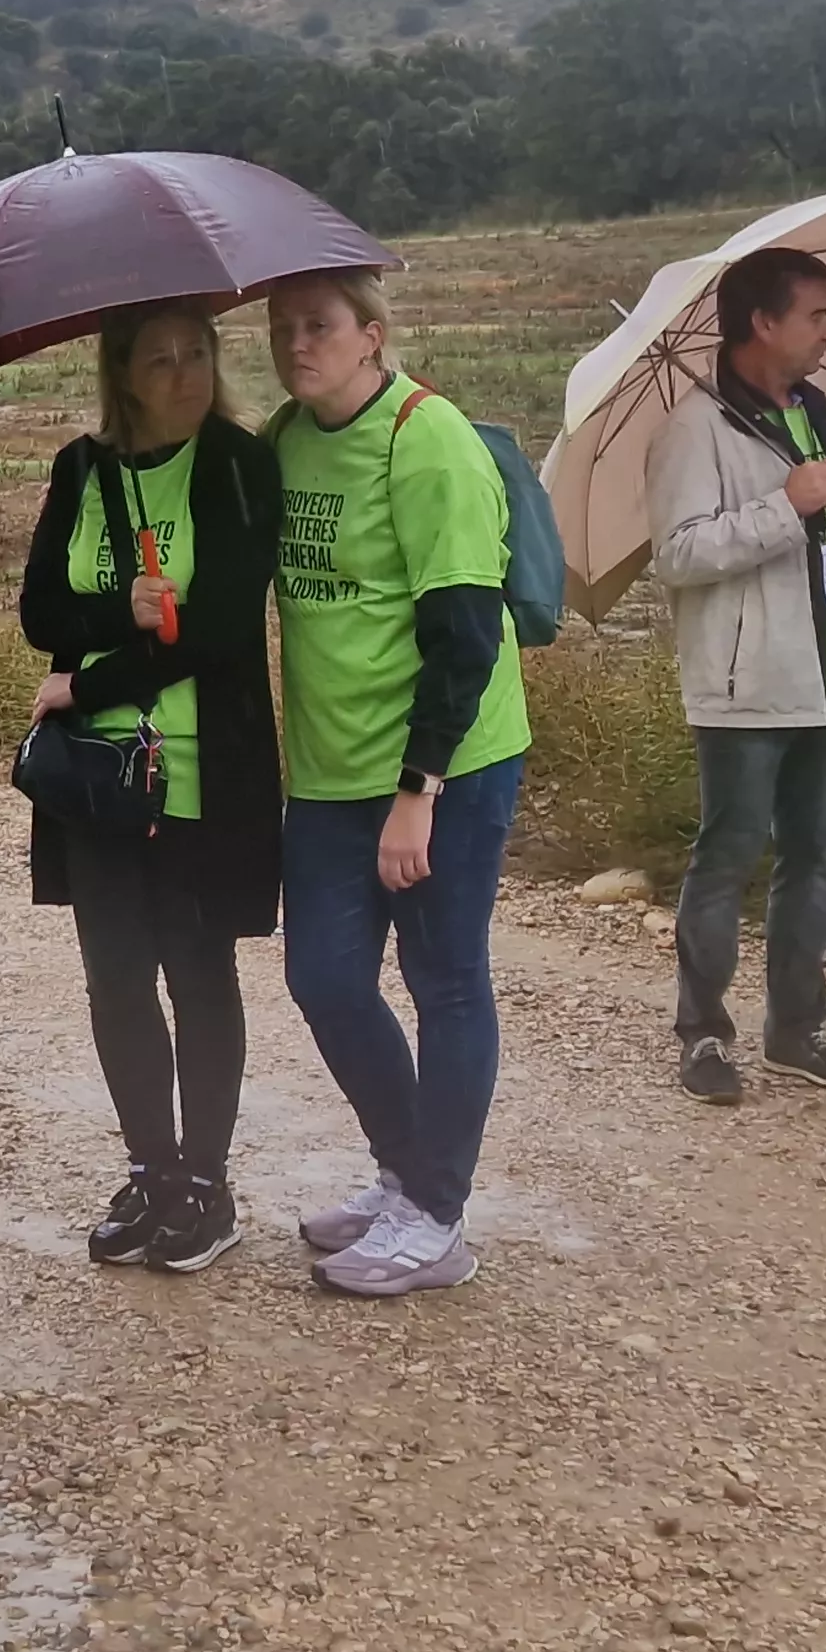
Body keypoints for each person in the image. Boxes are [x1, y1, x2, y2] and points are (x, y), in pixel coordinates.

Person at [262, 268, 530, 1297]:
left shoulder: (429, 441)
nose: (297, 343)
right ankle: (402, 1172)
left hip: (444, 759)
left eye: (319, 325)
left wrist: (419, 788)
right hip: (332, 764)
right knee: (322, 974)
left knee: (444, 975)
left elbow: (464, 631)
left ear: (372, 336)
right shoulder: (287, 439)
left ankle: (438, 1214)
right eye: (282, 328)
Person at [20, 300, 281, 1273]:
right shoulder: (80, 468)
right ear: (121, 373)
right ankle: (152, 1170)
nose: (184, 374)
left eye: (198, 354)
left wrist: (85, 678)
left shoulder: (239, 466)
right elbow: (38, 605)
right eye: (161, 359)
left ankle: (206, 1184)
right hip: (99, 782)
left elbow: (214, 630)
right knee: (117, 976)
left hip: (202, 775)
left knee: (198, 971)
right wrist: (114, 607)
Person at [645, 246, 826, 1104]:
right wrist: (782, 507)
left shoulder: (820, 418)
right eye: (815, 314)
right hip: (746, 684)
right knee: (729, 857)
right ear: (763, 323)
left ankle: (797, 1030)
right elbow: (678, 555)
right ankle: (703, 1037)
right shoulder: (696, 428)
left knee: (815, 858)